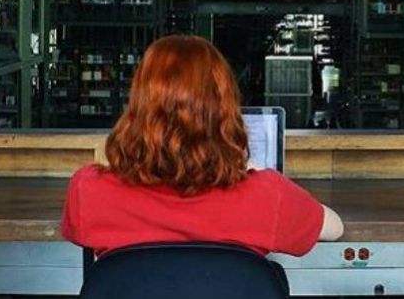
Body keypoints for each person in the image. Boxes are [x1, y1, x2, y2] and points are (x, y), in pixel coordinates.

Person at [61, 35, 343, 258]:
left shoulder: (88, 189)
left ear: (139, 105)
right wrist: (250, 169)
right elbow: (334, 227)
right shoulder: (268, 195)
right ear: (224, 108)